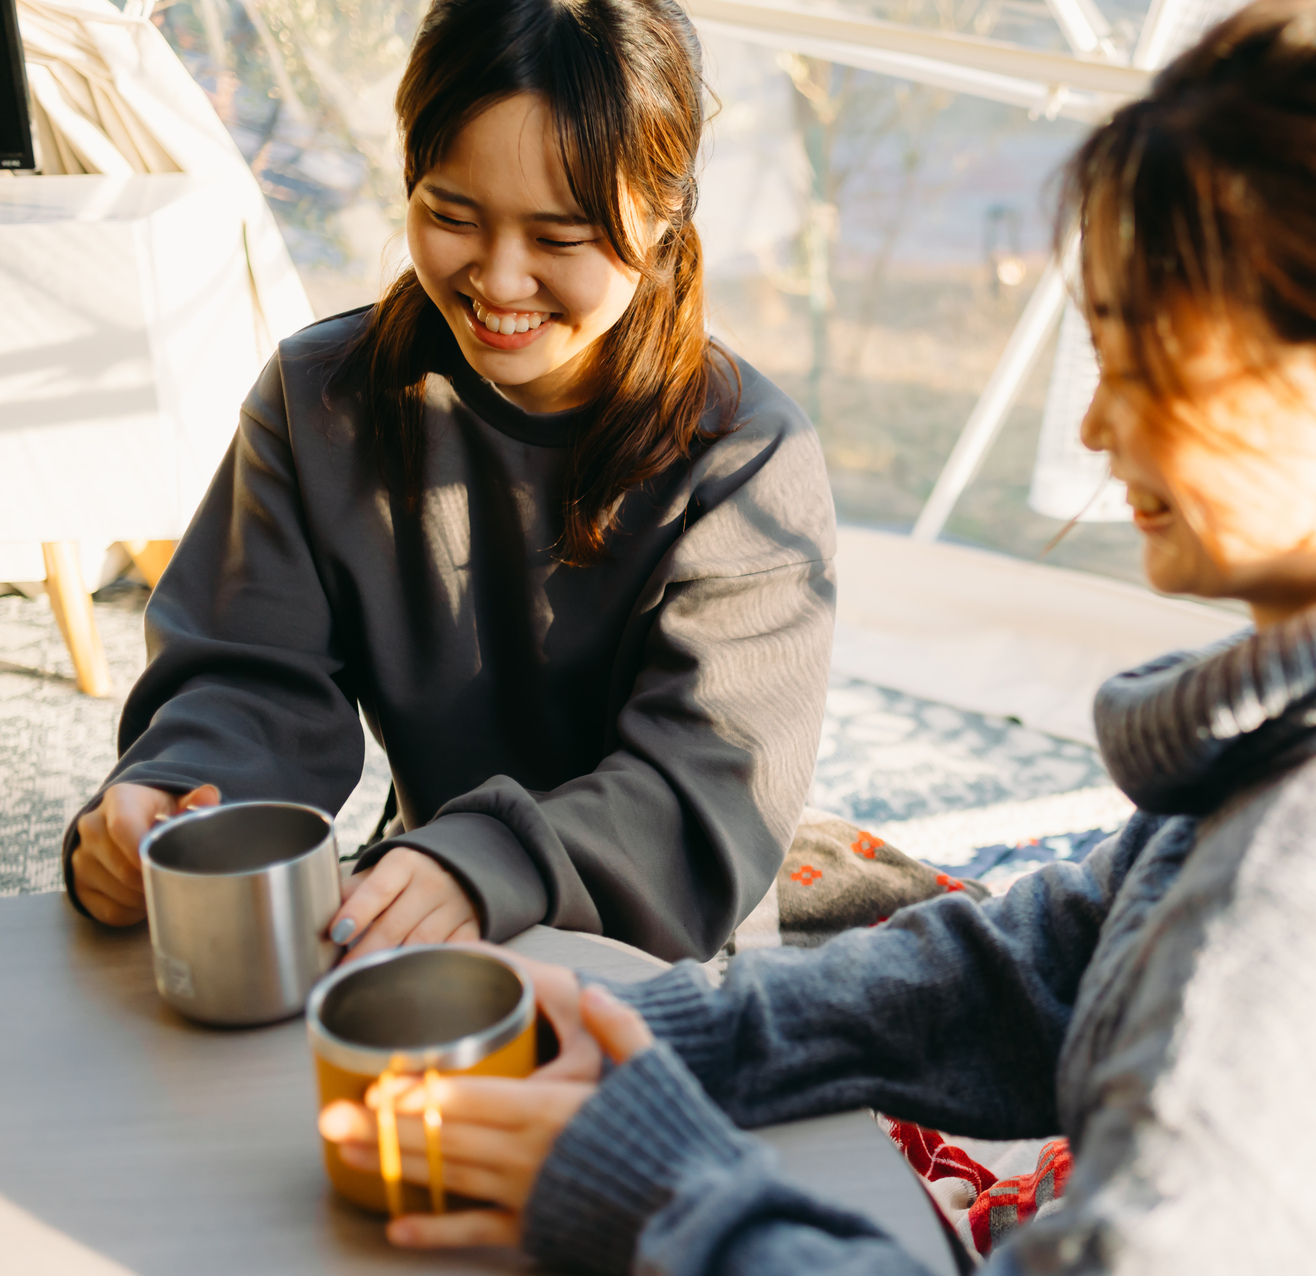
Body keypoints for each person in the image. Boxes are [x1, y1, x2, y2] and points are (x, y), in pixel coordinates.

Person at [317, 0, 1316, 1269]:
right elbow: (1062, 955)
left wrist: (659, 1197)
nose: (1092, 426)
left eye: (1135, 362)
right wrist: (689, 1038)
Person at [62, 0, 835, 962]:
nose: (500, 283)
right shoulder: (320, 400)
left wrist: (488, 861)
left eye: (560, 239)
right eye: (452, 215)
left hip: (664, 941)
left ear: (666, 215)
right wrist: (175, 797)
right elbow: (248, 676)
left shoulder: (745, 457)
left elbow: (705, 790)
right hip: (425, 890)